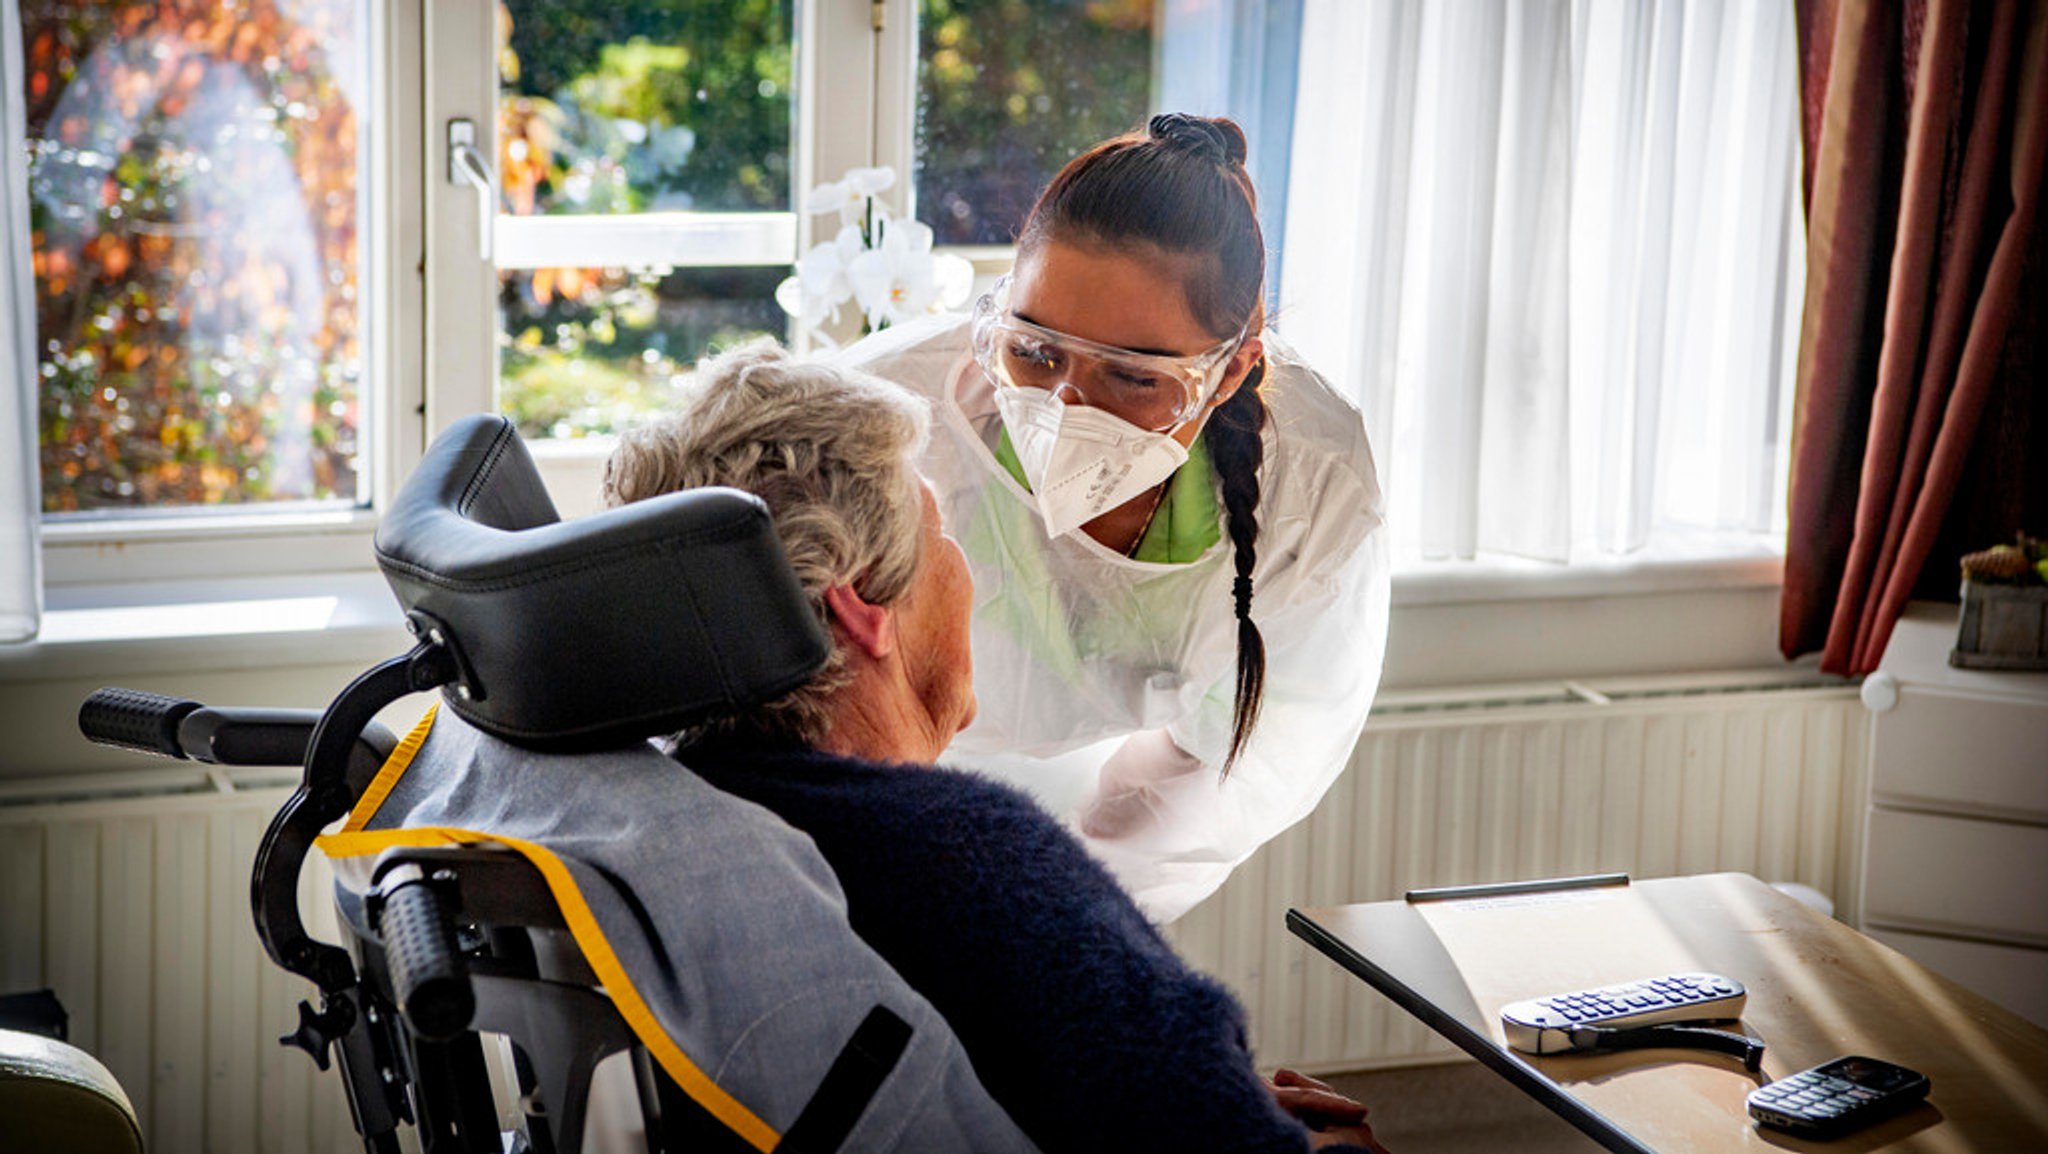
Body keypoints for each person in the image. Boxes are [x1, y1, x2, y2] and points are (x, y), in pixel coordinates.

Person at [605, 341, 1390, 1153]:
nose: (964, 567)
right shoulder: (972, 864)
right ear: (861, 606)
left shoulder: (677, 822)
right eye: (939, 532)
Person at [834, 113, 1390, 922]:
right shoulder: (886, 417)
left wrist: (1062, 911)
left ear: (1232, 367)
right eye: (1033, 350)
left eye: (1132, 379)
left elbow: (1230, 769)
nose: (1064, 406)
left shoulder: (1310, 480)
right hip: (877, 845)